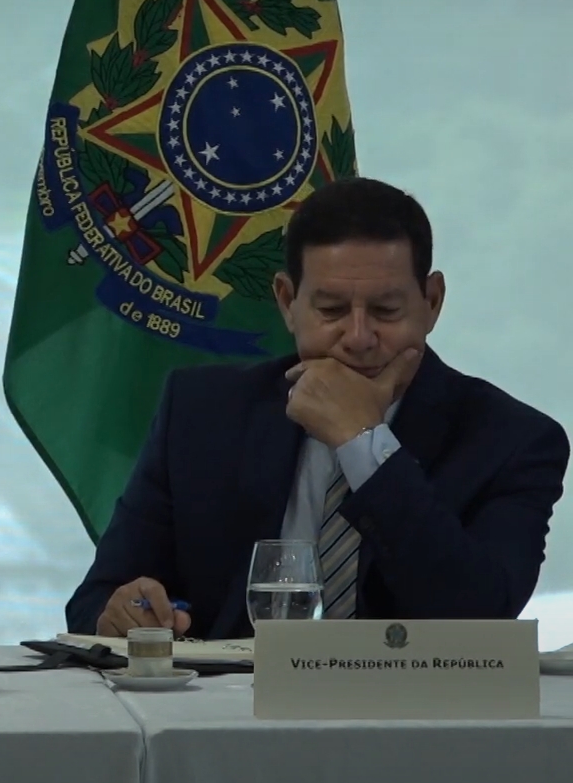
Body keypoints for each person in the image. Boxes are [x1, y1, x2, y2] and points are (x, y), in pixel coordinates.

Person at [67, 176, 569, 640]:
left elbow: (480, 620)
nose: (359, 337)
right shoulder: (201, 412)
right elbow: (95, 601)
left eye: (386, 311)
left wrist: (364, 443)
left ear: (432, 301)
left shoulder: (514, 440)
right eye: (331, 310)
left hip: (415, 705)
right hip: (228, 702)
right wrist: (124, 613)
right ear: (288, 302)